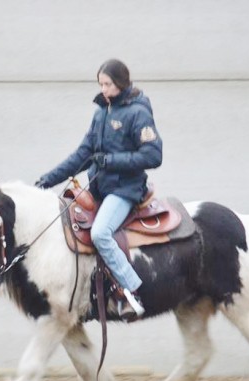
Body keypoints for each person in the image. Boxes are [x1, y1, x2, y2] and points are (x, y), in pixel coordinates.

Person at [35, 59, 162, 321]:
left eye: (108, 84)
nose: (103, 89)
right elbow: (83, 154)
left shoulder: (138, 113)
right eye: (101, 84)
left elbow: (153, 155)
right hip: (100, 188)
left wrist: (111, 161)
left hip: (125, 190)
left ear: (122, 83)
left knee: (100, 233)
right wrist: (47, 180)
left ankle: (132, 290)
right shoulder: (101, 112)